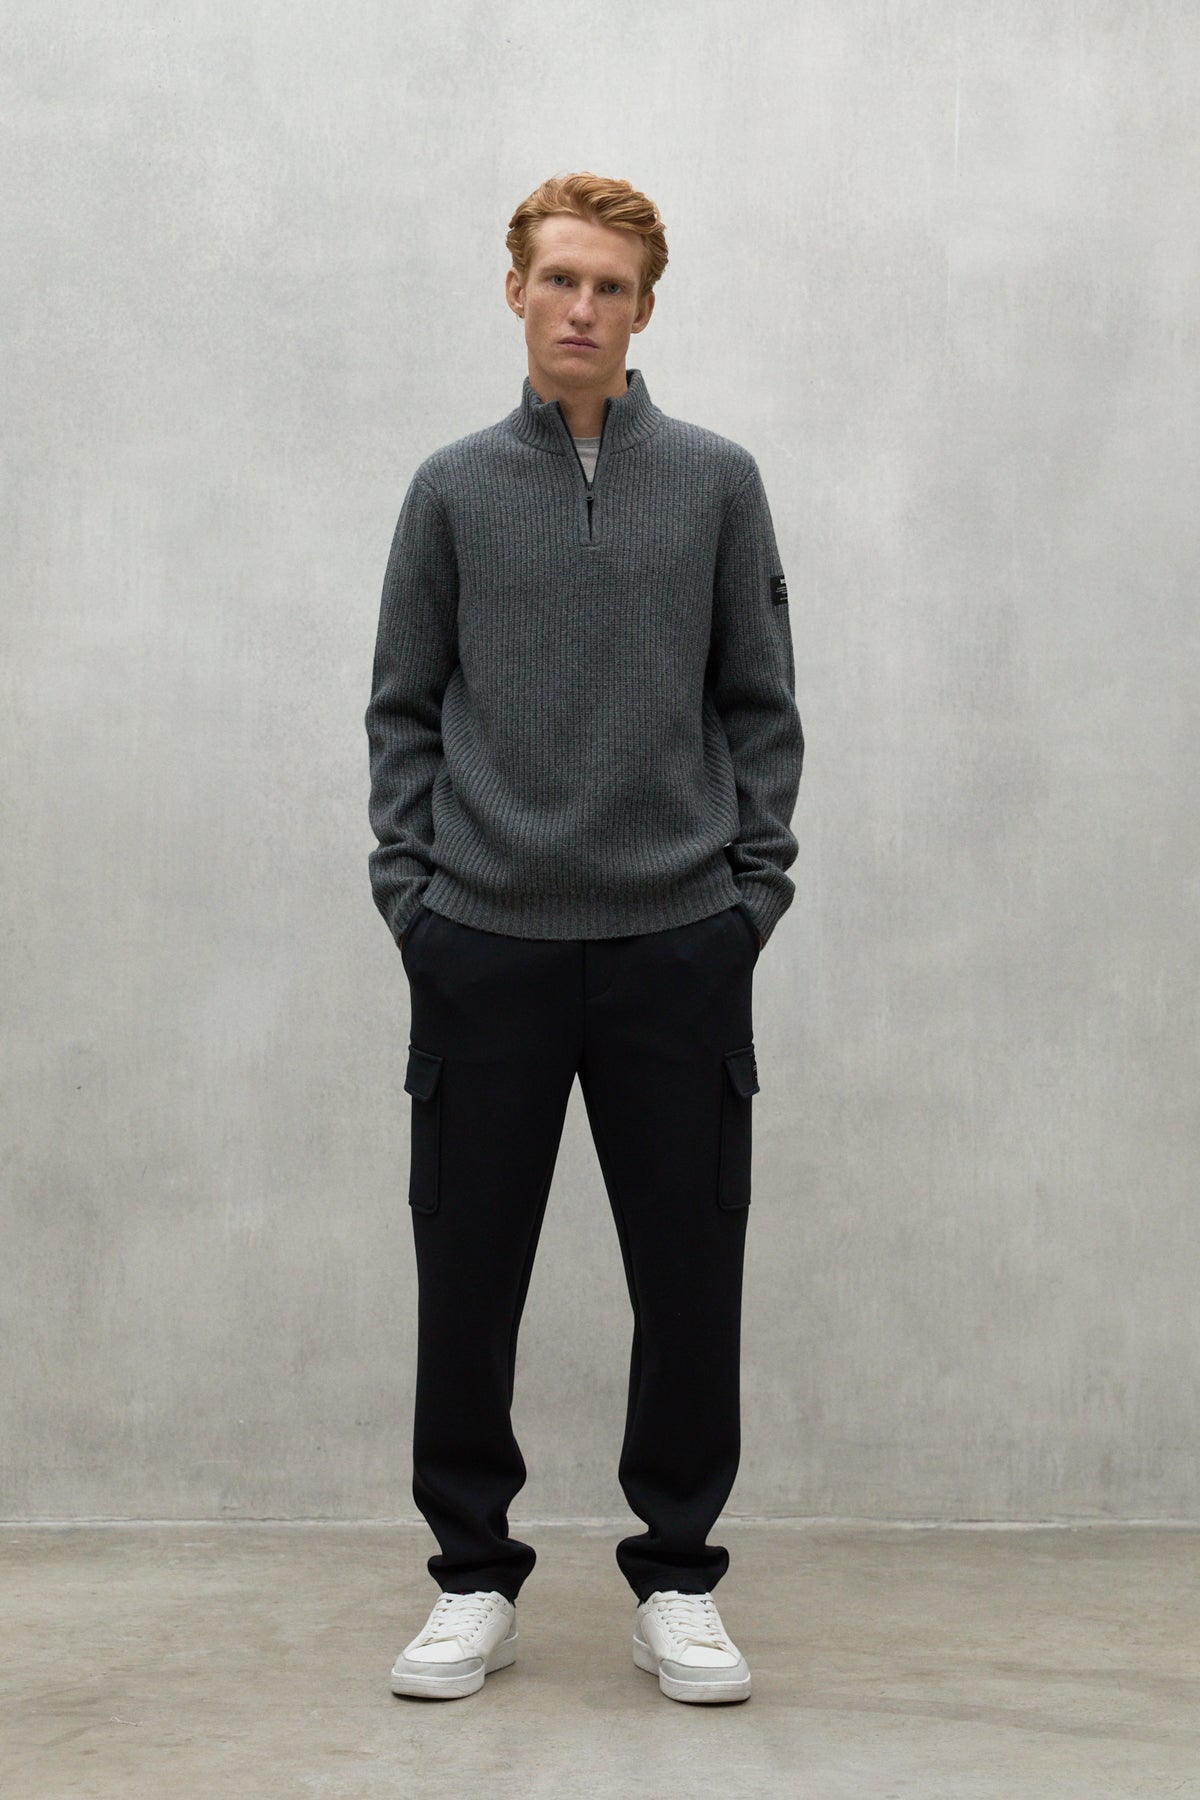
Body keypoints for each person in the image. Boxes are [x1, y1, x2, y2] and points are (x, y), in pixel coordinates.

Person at [364, 171, 804, 1706]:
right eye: (559, 278)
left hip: (678, 945)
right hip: (484, 943)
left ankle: (677, 1579)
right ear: (516, 291)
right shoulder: (451, 490)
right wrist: (417, 904)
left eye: (611, 287)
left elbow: (760, 706)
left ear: (644, 309)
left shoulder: (720, 483)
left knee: (688, 1282)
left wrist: (748, 901)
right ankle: (470, 1579)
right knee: (467, 1280)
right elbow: (403, 710)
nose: (582, 308)